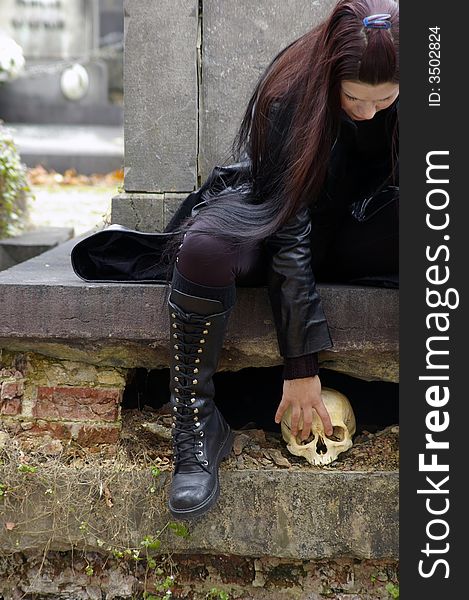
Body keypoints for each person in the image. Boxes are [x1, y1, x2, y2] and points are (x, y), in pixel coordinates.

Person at [71, 0, 399, 521]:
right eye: (353, 97)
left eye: (384, 100)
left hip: (372, 230)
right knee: (204, 249)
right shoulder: (294, 89)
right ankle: (196, 426)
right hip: (279, 220)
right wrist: (300, 367)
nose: (365, 112)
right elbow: (291, 240)